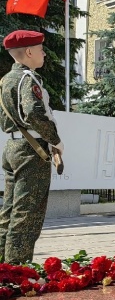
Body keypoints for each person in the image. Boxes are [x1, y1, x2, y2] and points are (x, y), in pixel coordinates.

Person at [0, 30, 63, 264]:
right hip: (31, 150)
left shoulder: (6, 80)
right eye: (40, 49)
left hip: (13, 147)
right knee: (27, 215)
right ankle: (17, 272)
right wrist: (55, 140)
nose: (44, 53)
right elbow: (34, 114)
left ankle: (4, 267)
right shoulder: (27, 79)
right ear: (28, 52)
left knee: (9, 212)